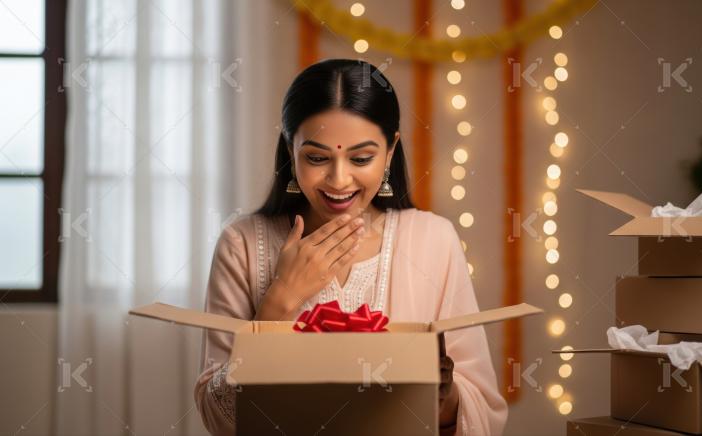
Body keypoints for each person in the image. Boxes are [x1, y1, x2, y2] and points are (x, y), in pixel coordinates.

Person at [194, 58, 507, 435]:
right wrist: (280, 301)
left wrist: (444, 397)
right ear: (289, 150)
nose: (339, 180)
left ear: (390, 151)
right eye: (316, 158)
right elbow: (217, 417)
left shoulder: (433, 240)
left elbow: (485, 410)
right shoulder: (241, 243)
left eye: (361, 158)